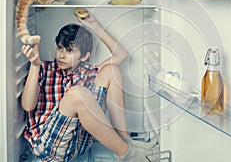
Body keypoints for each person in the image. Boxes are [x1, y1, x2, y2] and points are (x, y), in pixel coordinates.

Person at [21, 11, 157, 161]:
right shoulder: (44, 69)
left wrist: (94, 24)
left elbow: (120, 55)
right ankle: (128, 154)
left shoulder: (86, 72)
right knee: (77, 94)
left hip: (77, 145)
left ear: (85, 56)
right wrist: (34, 66)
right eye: (60, 48)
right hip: (47, 147)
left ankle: (125, 142)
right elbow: (27, 106)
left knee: (112, 70)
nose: (61, 55)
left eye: (70, 51)